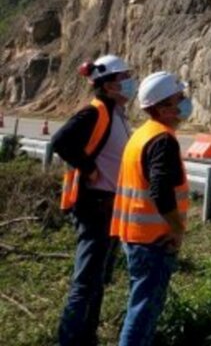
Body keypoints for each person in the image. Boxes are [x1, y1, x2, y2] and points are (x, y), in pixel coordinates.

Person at [53, 54, 137, 346]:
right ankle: (69, 339)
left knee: (98, 279)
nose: (129, 82)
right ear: (109, 85)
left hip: (110, 206)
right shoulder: (95, 112)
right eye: (124, 77)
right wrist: (89, 169)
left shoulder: (116, 114)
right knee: (86, 280)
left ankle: (87, 337)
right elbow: (60, 142)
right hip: (94, 205)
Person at [112, 71, 192, 346]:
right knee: (143, 313)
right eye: (178, 98)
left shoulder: (142, 134)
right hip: (154, 240)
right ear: (162, 107)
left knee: (140, 307)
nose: (184, 103)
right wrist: (177, 229)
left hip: (136, 237)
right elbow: (160, 191)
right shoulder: (162, 140)